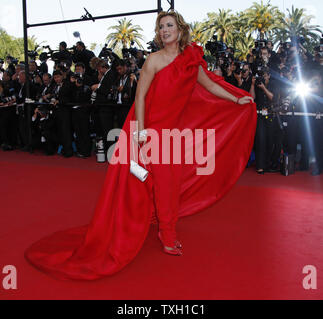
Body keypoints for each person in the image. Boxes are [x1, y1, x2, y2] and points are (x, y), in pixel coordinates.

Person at [25, 10, 256, 280]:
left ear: (180, 30)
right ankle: (148, 227)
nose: (165, 30)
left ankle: (166, 231)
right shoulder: (154, 60)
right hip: (150, 131)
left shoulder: (192, 60)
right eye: (161, 27)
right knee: (138, 181)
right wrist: (141, 131)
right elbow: (141, 96)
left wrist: (234, 99)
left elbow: (208, 86)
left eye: (169, 25)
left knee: (168, 182)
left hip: (173, 132)